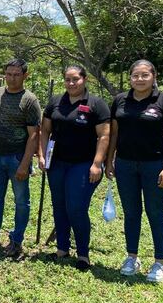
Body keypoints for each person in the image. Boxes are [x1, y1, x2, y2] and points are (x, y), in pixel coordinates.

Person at [106, 59, 163, 283]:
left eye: (144, 75)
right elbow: (114, 134)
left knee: (156, 213)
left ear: (154, 77)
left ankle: (160, 263)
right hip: (125, 165)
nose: (139, 79)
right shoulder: (120, 100)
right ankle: (132, 257)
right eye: (135, 75)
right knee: (131, 213)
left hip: (154, 165)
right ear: (130, 78)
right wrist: (109, 161)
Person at [38, 65, 110, 271]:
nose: (71, 83)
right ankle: (62, 249)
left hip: (84, 164)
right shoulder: (55, 102)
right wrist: (42, 155)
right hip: (57, 163)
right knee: (59, 205)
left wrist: (97, 163)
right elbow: (45, 131)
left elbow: (104, 136)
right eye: (68, 79)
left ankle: (83, 254)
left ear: (84, 80)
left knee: (76, 208)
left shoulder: (96, 104)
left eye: (75, 79)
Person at [0, 58, 41, 257]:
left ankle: (16, 240)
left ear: (25, 76)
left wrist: (24, 163)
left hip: (17, 157)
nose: (12, 78)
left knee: (21, 201)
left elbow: (34, 135)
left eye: (16, 75)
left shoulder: (29, 100)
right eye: (9, 74)